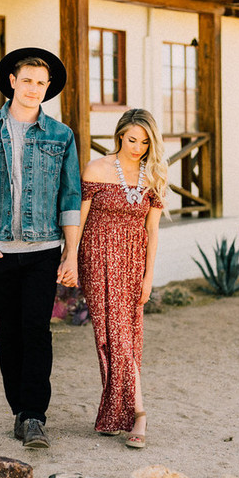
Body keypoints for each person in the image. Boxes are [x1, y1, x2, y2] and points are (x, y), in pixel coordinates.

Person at [0, 47, 81, 449]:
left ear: (48, 89)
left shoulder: (61, 135)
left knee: (37, 330)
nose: (33, 88)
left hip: (44, 248)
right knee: (9, 331)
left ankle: (34, 416)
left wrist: (72, 253)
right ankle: (19, 410)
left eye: (40, 83)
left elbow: (70, 197)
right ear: (12, 81)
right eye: (26, 80)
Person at [78, 108, 167, 449]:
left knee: (126, 336)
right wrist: (70, 257)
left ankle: (127, 413)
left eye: (145, 142)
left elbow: (153, 231)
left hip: (133, 262)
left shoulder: (153, 175)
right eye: (132, 139)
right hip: (98, 257)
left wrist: (149, 277)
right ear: (119, 136)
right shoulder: (96, 169)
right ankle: (130, 413)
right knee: (109, 335)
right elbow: (80, 221)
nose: (137, 147)